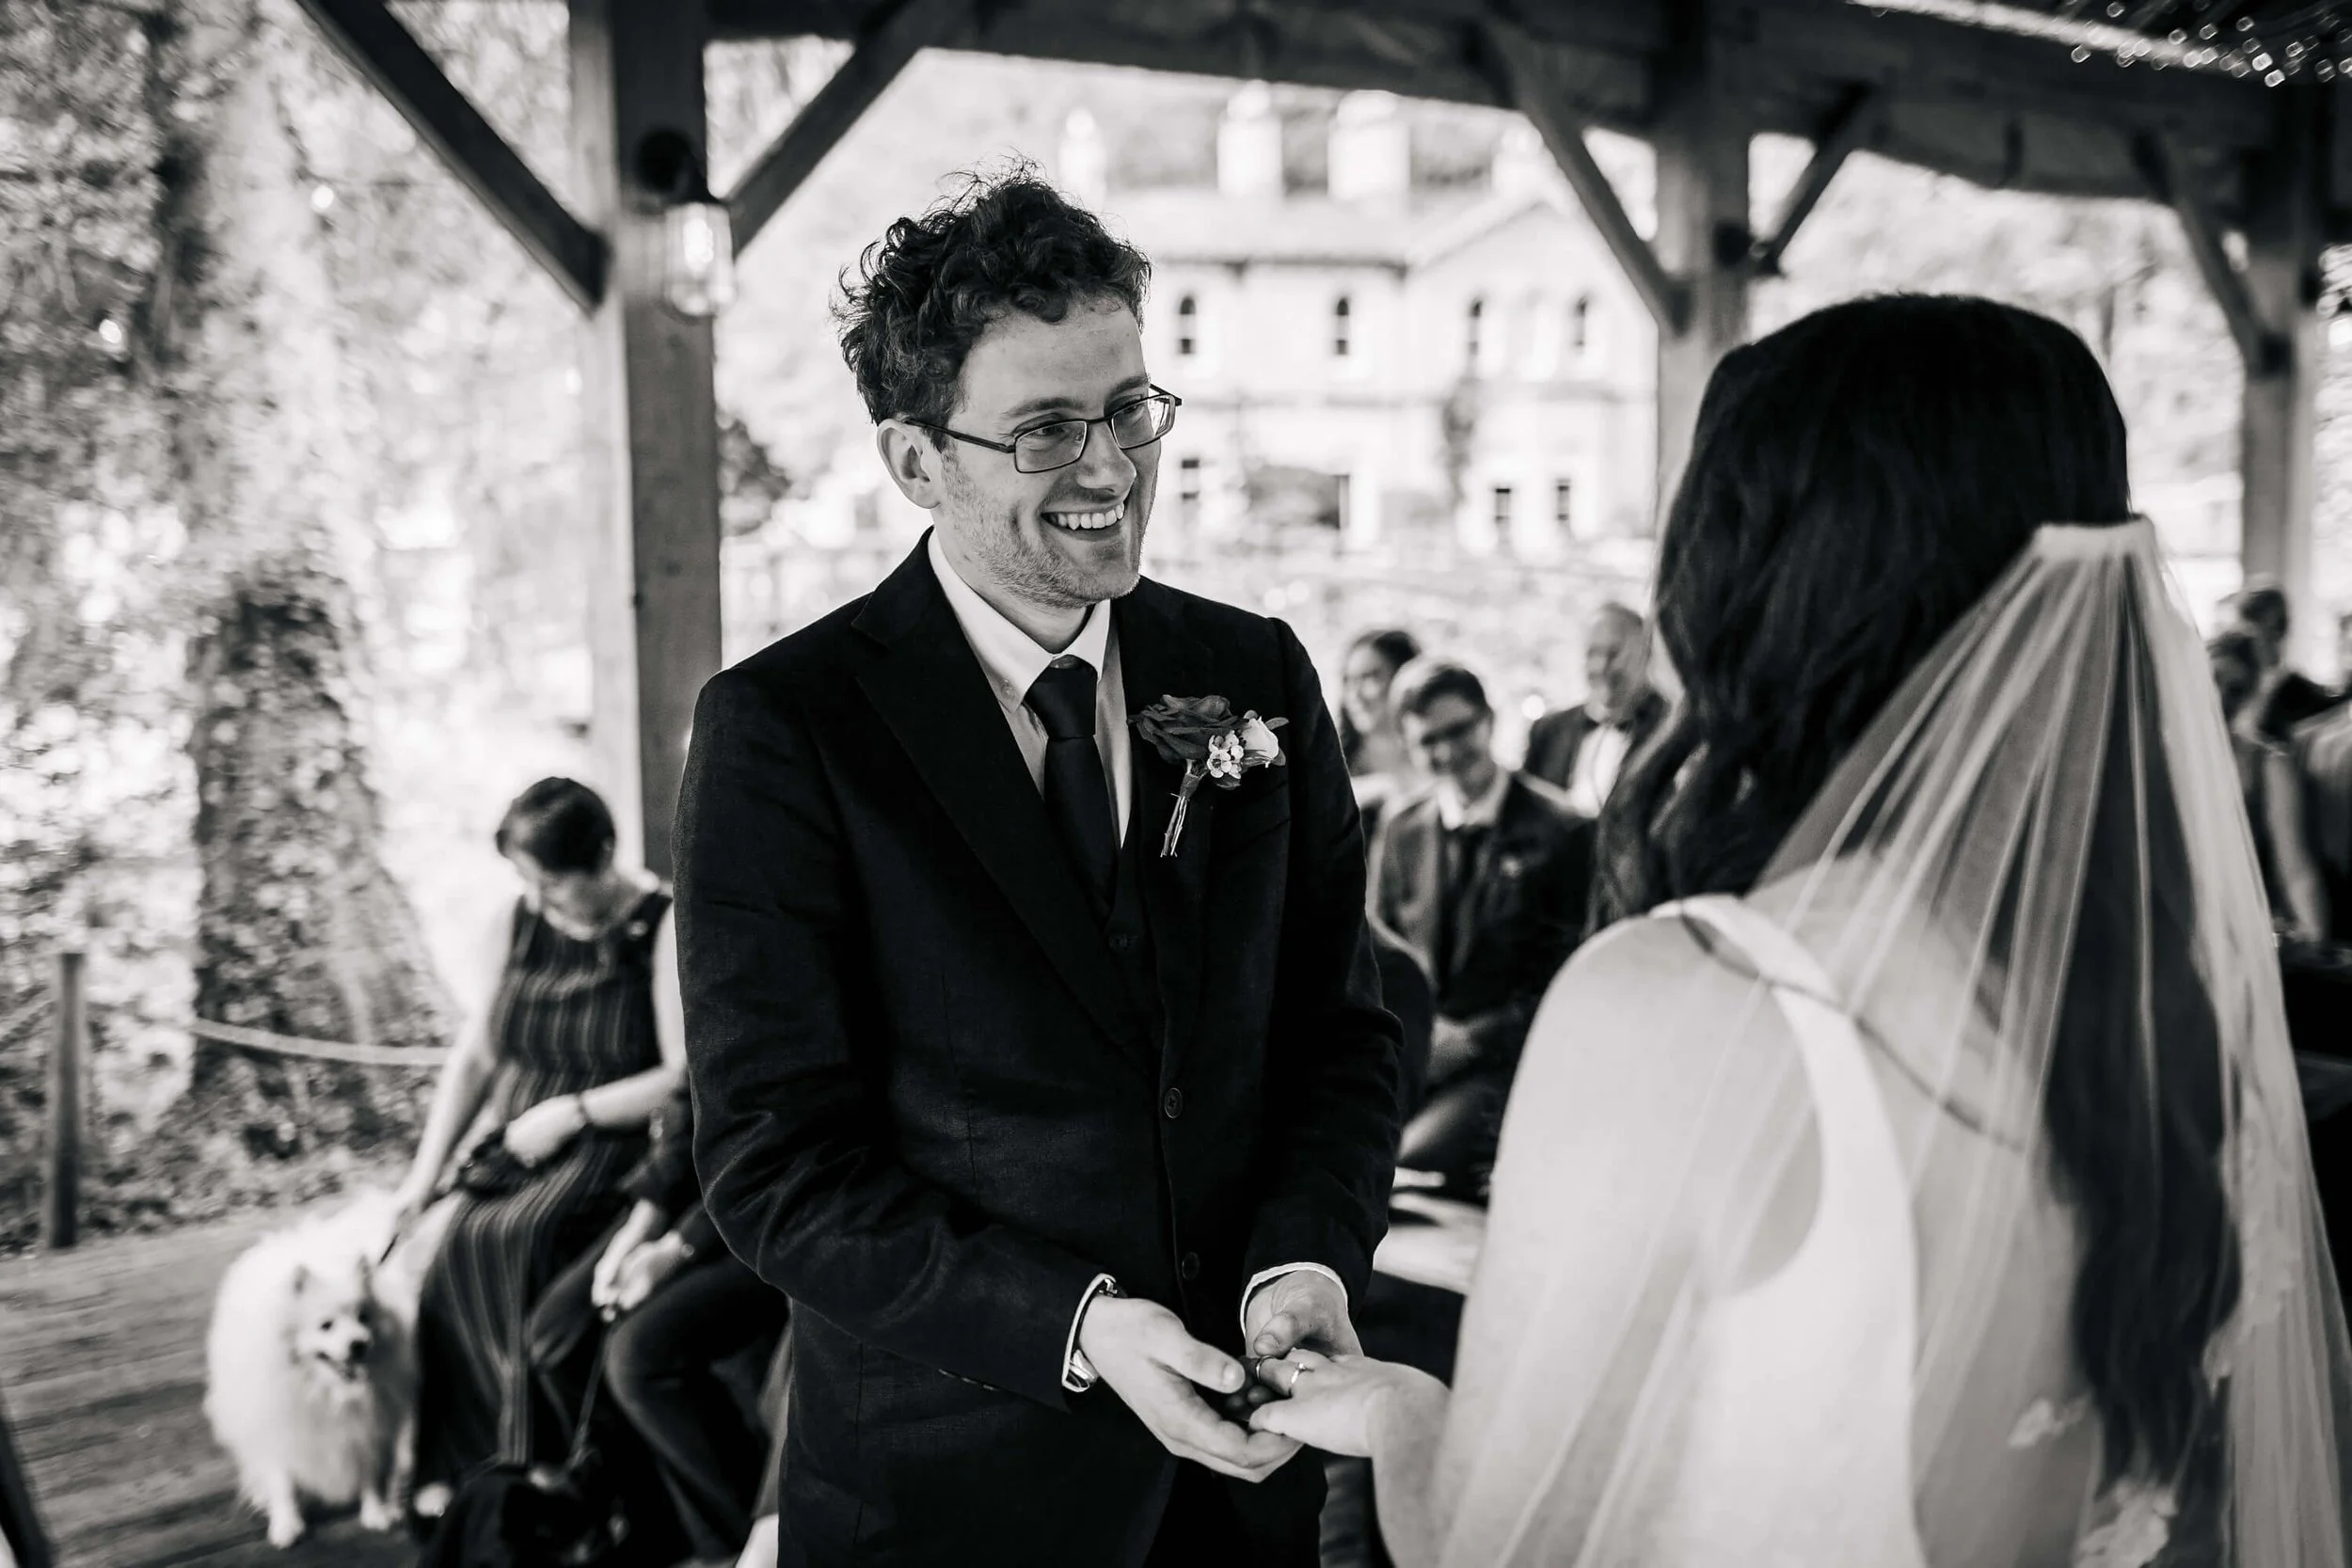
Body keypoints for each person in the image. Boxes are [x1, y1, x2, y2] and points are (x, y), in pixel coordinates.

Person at [1241, 296, 2352, 1566]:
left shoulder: (1685, 998)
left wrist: (1398, 1410)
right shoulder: (2188, 1019)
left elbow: (1511, 1540)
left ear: (1745, 582)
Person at [672, 168, 1402, 1567]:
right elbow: (775, 1163)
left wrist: (1303, 1258)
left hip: (1245, 1490)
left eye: (1130, 408)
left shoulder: (1251, 672)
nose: (1113, 467)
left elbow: (1338, 1031)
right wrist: (1077, 1325)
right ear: (914, 461)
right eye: (1048, 428)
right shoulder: (787, 729)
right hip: (952, 1489)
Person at [391, 777, 686, 1513]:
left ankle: (538, 1468)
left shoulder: (663, 922)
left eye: (552, 883)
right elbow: (477, 1058)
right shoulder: (516, 924)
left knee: (524, 1235)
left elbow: (681, 1072)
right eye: (527, 882)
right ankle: (460, 1461)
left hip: (608, 1140)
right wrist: (422, 1177)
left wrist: (577, 1111)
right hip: (514, 1143)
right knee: (451, 1242)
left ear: (605, 856)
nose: (539, 899)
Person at [527, 1077, 789, 1567]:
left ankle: (740, 1542)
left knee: (639, 1351)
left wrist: (676, 1250)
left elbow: (778, 1132)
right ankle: (651, 1527)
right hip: (695, 1198)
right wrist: (636, 1232)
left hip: (770, 1199)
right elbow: (682, 1110)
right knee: (557, 1330)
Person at [1370, 657, 1592, 1198]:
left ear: (1490, 720)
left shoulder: (1566, 831)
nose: (1447, 753)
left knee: (1406, 1165)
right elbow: (1372, 956)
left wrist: (1471, 1040)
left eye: (1460, 731)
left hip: (1501, 1065)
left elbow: (1572, 982)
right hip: (1408, 1056)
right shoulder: (1402, 828)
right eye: (1429, 741)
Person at [2213, 626, 2330, 942]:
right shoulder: (2159, 752)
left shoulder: (2268, 763)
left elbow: (2296, 868)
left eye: (2236, 689)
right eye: (2213, 679)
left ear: (2252, 694)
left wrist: (2316, 937)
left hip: (2234, 924)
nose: (2220, 696)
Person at [1521, 603, 1668, 816]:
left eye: (1613, 653)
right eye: (1593, 653)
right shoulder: (1548, 730)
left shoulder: (1668, 729)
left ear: (1646, 655)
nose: (1600, 666)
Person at [1339, 628, 1423, 845]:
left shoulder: (1438, 754)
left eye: (1369, 677)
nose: (1355, 695)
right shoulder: (1330, 765)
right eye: (1348, 681)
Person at [2233, 579, 2340, 740]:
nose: (2250, 639)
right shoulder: (2234, 684)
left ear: (2280, 630)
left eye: (2263, 629)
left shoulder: (2297, 689)